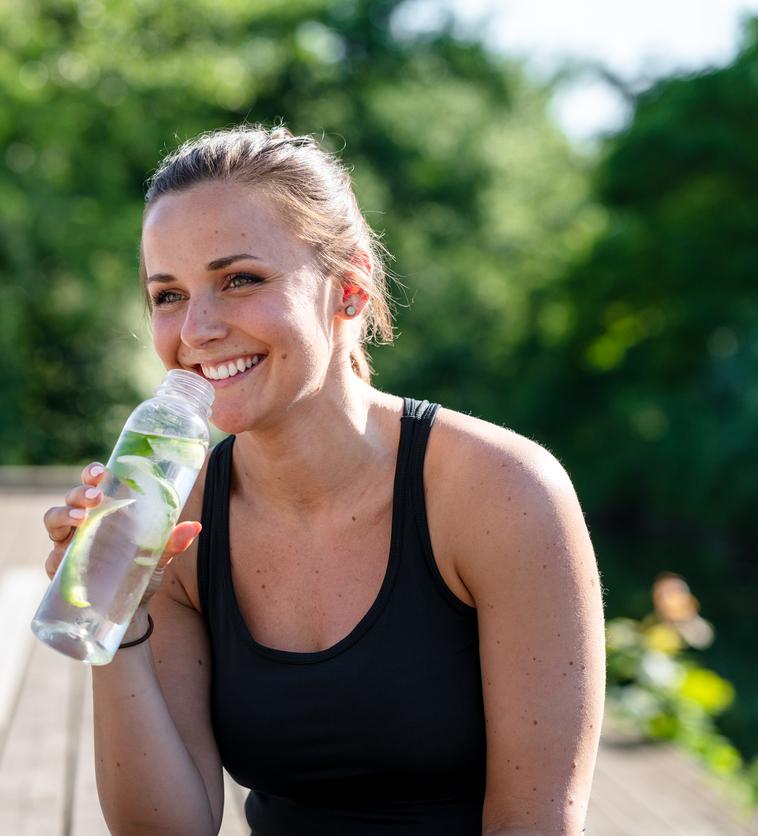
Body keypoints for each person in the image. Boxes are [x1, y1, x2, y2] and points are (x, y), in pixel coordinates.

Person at [42, 125, 605, 835]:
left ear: (349, 289)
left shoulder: (503, 492)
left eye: (239, 280)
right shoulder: (178, 518)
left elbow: (536, 824)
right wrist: (116, 619)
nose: (199, 328)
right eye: (168, 295)